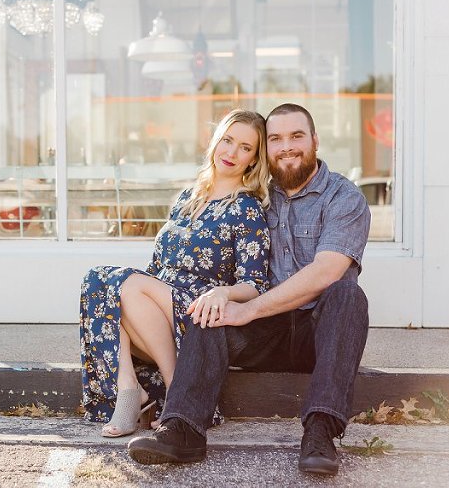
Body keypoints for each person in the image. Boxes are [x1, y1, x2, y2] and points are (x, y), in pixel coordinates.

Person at [128, 103, 371, 477]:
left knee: (348, 294)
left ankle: (320, 432)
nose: (286, 147)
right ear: (266, 150)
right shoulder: (256, 197)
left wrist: (250, 309)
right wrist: (224, 295)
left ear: (315, 141)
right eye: (275, 139)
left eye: (296, 136)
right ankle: (182, 430)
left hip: (319, 332)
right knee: (211, 305)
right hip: (265, 333)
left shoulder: (344, 197)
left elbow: (327, 271)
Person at [80, 109, 272, 438]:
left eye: (244, 147)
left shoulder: (246, 207)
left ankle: (177, 392)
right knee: (97, 281)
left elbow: (255, 285)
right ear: (215, 142)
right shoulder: (186, 197)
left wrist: (223, 293)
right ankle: (129, 389)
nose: (231, 152)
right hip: (156, 310)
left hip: (196, 317)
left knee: (121, 283)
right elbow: (156, 268)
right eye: (227, 141)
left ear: (254, 160)